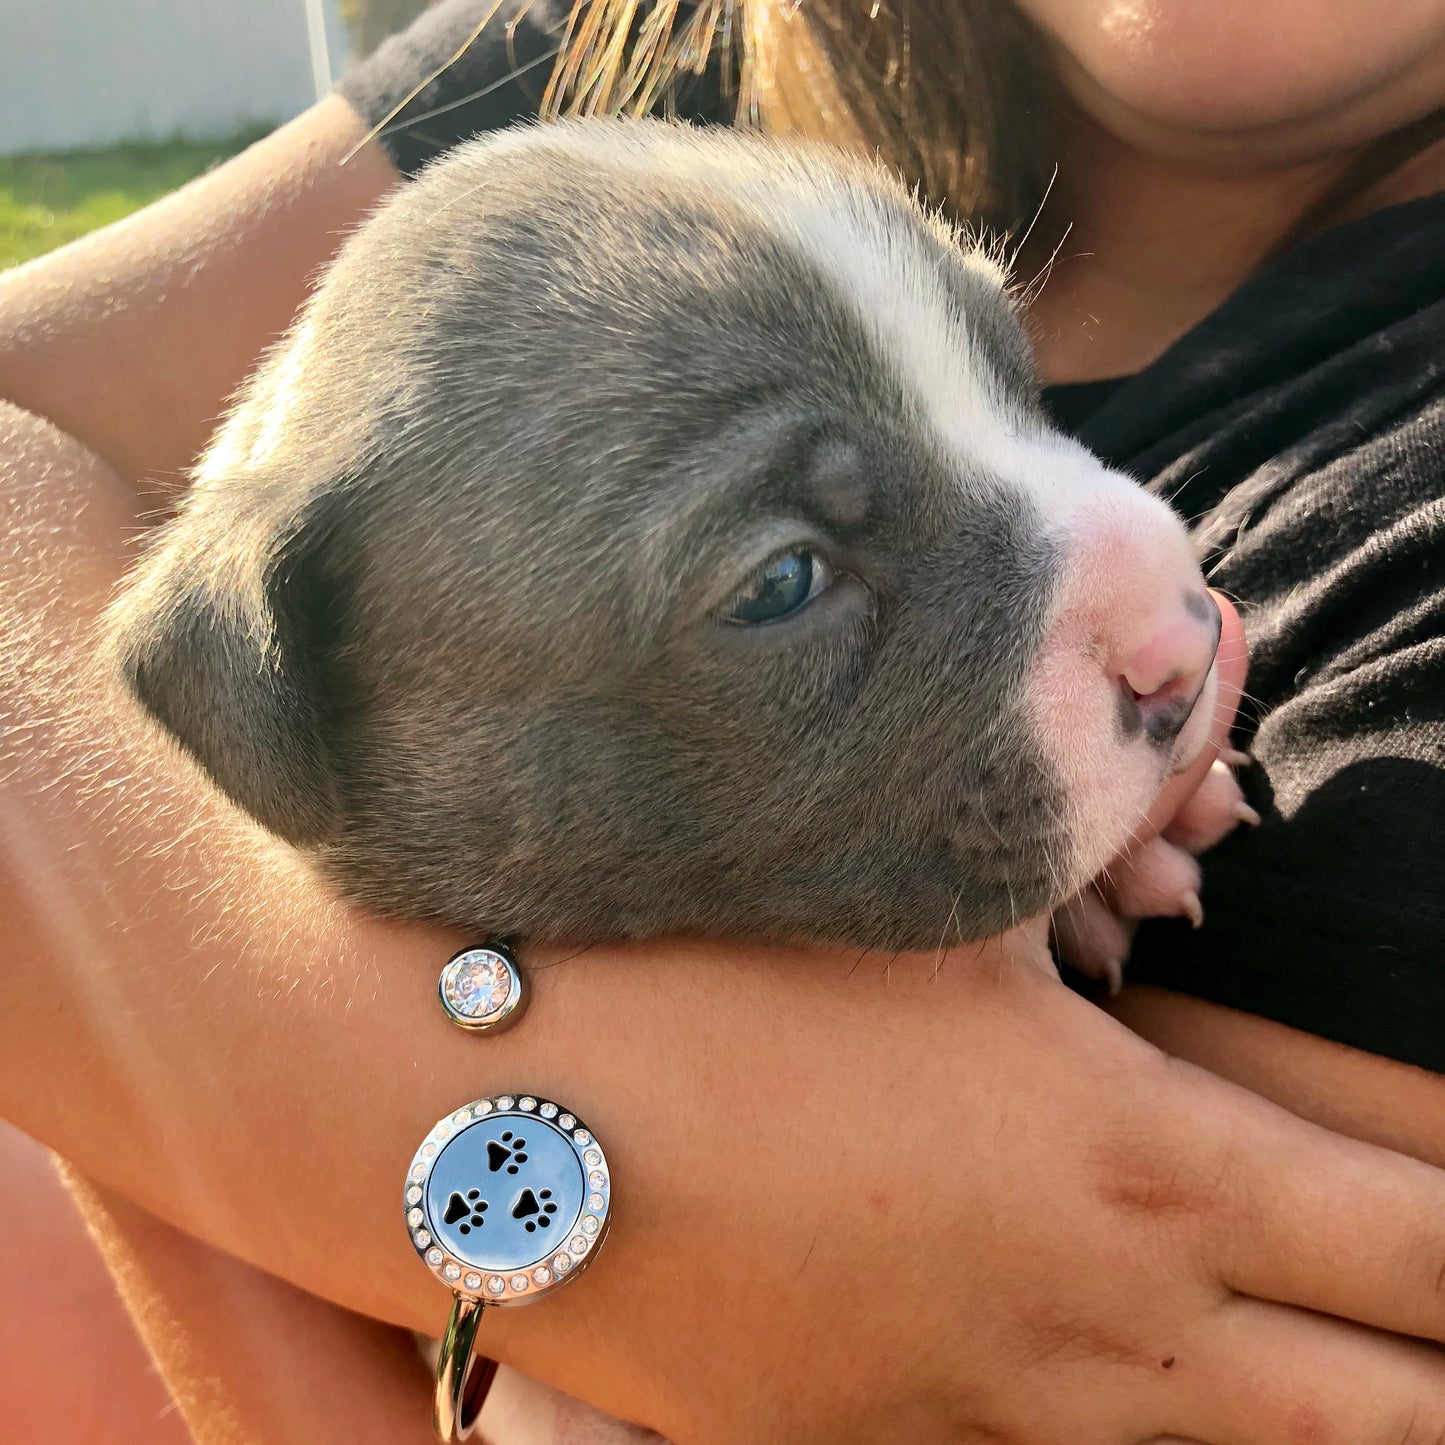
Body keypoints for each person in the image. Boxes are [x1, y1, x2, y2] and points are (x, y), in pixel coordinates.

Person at [0, 0, 1441, 1441]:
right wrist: (369, 1090)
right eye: (787, 581)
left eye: (1013, 384)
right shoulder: (655, 50)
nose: (1168, 623)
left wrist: (127, 1052)